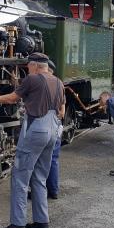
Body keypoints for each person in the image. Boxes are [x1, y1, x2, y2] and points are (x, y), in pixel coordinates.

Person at [0, 52, 65, 228]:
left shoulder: (33, 78)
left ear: (35, 65)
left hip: (37, 129)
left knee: (20, 177)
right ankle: (42, 223)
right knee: (39, 177)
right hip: (53, 129)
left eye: (28, 65)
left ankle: (17, 226)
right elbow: (61, 110)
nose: (27, 69)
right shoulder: (58, 82)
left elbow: (13, 98)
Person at [46, 60, 63, 199]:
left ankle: (39, 191)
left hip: (45, 126)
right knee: (54, 160)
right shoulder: (59, 83)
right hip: (57, 125)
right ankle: (54, 191)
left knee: (40, 160)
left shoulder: (42, 83)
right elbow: (62, 112)